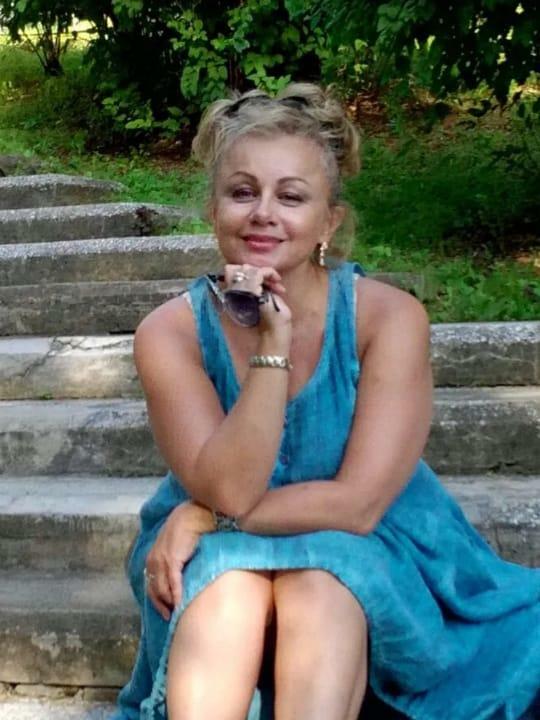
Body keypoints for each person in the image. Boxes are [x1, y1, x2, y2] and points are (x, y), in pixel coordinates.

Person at [112, 83, 540, 720]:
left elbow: (357, 505)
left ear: (329, 222)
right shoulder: (169, 333)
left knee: (320, 582)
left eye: (290, 196)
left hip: (365, 539)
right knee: (225, 588)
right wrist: (272, 348)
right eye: (242, 192)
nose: (263, 213)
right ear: (213, 209)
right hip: (217, 553)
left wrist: (203, 517)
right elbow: (230, 488)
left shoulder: (388, 319)